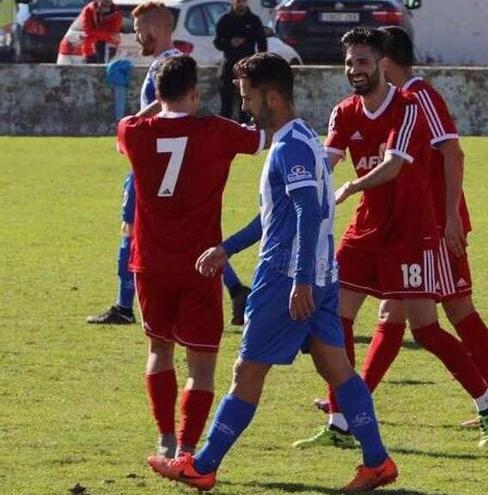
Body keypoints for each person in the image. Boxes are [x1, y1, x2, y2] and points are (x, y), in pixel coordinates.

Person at [147, 52, 398, 493]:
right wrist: (226, 249)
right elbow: (274, 215)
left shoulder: (290, 146)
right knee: (337, 368)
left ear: (273, 97)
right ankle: (377, 462)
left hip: (288, 277)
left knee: (247, 372)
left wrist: (299, 278)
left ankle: (202, 465)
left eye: (247, 97)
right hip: (321, 274)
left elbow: (305, 210)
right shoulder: (303, 139)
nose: (244, 106)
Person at [294, 27, 488, 449]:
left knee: (426, 329)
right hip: (364, 232)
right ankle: (341, 421)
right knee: (335, 321)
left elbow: (394, 163)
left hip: (411, 233)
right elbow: (329, 160)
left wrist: (353, 188)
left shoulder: (409, 106)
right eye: (350, 62)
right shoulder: (344, 112)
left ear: (382, 65)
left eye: (364, 62)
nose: (355, 70)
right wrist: (295, 174)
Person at [115, 53, 264, 461]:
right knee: (202, 364)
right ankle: (186, 446)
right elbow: (262, 137)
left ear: (158, 92)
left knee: (158, 351)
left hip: (150, 265)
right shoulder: (216, 131)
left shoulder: (134, 131)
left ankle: (164, 437)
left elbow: (130, 123)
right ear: (196, 93)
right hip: (201, 264)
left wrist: (158, 105)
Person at [87, 1, 251, 327]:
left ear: (157, 30)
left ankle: (123, 305)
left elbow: (168, 111)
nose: (137, 39)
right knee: (193, 235)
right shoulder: (174, 62)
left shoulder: (167, 66)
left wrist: (134, 123)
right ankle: (235, 290)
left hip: (155, 167)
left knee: (132, 231)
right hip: (171, 164)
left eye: (138, 32)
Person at [214, 0, 266, 122]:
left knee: (247, 103)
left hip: (248, 67)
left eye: (243, 1)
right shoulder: (225, 20)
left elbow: (262, 44)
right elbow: (217, 42)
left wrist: (260, 64)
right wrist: (230, 43)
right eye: (238, 1)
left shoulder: (254, 20)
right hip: (229, 66)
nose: (240, 4)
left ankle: (246, 130)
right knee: (226, 103)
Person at [56, 0, 122, 65]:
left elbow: (113, 33)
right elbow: (88, 31)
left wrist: (96, 35)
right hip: (86, 49)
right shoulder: (89, 10)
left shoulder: (116, 14)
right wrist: (106, 36)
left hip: (104, 49)